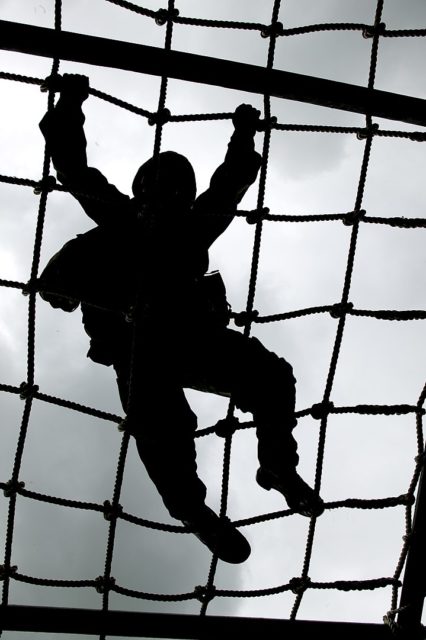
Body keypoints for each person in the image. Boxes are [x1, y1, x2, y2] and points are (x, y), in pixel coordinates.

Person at [38, 74, 324, 565]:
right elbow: (74, 169)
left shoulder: (190, 230)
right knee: (163, 428)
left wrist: (243, 137)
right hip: (137, 344)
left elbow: (227, 187)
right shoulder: (118, 220)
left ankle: (276, 464)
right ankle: (192, 510)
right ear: (141, 189)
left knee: (270, 376)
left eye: (174, 188)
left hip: (191, 338)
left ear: (183, 197)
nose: (162, 194)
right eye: (153, 185)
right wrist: (69, 105)